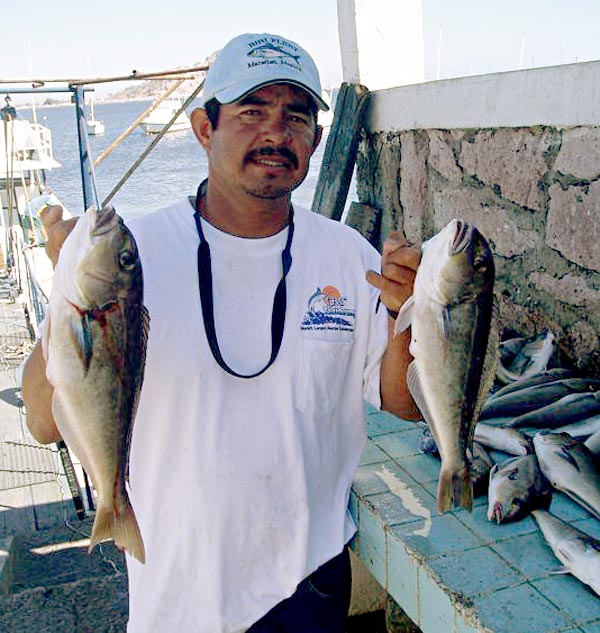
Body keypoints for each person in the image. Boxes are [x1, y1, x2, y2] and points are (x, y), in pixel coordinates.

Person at [22, 32, 420, 633]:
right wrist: (68, 298)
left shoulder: (345, 254)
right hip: (178, 593)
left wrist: (410, 318)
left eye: (297, 116)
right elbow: (42, 420)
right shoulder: (132, 254)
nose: (276, 133)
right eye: (252, 111)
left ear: (314, 138)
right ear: (204, 129)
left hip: (307, 581)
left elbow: (402, 401)